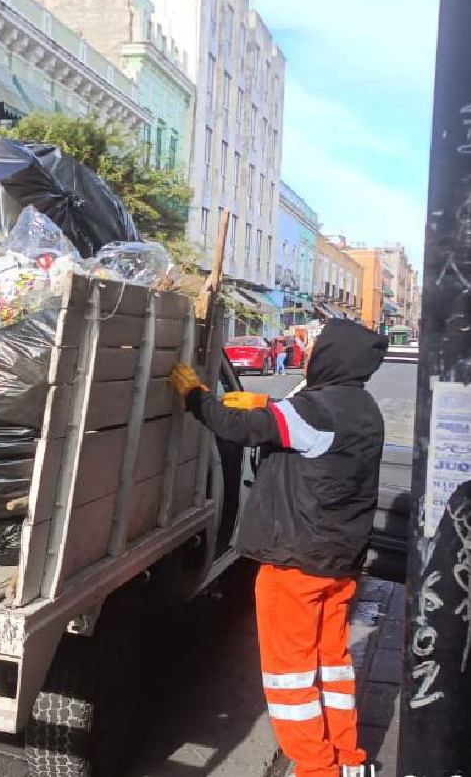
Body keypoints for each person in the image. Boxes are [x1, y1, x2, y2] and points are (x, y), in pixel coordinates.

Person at [168, 319, 387, 777]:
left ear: (331, 355)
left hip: (295, 564)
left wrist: (195, 398)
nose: (308, 354)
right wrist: (267, 402)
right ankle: (348, 760)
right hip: (338, 565)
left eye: (315, 346)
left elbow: (235, 426)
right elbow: (297, 427)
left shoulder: (313, 411)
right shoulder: (363, 408)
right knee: (332, 664)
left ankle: (315, 768)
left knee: (291, 675)